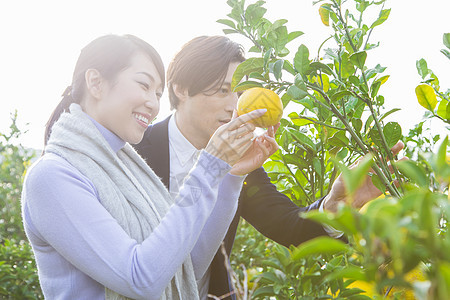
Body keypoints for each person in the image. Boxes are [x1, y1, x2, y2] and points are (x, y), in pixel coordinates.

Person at [133, 35, 405, 299]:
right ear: (180, 88)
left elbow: (287, 225)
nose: (234, 107)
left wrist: (336, 205)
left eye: (240, 93)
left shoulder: (240, 164)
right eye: (223, 91)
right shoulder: (133, 149)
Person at [21, 34, 279, 300]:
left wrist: (231, 175)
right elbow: (140, 279)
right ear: (96, 83)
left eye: (157, 93)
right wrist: (209, 167)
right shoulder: (52, 176)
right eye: (144, 85)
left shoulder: (131, 169)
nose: (154, 104)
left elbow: (187, 268)